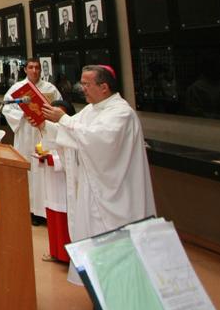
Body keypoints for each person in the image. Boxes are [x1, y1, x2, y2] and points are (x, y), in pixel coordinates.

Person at [38, 65, 155, 284]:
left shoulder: (121, 113)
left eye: (86, 84)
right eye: (82, 83)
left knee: (116, 248)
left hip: (117, 193)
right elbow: (73, 136)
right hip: (93, 190)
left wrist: (62, 119)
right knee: (94, 246)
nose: (82, 89)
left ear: (104, 87)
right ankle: (100, 291)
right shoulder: (92, 110)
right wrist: (45, 124)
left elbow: (98, 140)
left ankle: (121, 291)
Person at [4, 58, 62, 224]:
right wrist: (23, 113)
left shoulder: (50, 88)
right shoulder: (17, 88)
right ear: (25, 70)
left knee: (44, 172)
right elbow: (7, 108)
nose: (35, 70)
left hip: (44, 133)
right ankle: (30, 209)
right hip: (26, 133)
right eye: (31, 67)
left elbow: (60, 107)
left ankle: (46, 209)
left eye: (37, 67)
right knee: (29, 170)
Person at [36, 98, 75, 264]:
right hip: (51, 181)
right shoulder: (51, 129)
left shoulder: (71, 130)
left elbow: (70, 156)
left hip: (64, 181)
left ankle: (67, 255)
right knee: (52, 214)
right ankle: (55, 252)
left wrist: (53, 159)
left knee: (64, 216)